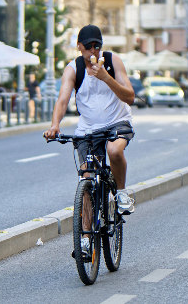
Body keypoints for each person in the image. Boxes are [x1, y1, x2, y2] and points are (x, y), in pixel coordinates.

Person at [43, 25, 135, 253]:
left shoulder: (113, 62)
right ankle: (85, 238)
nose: (93, 51)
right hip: (88, 129)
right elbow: (63, 99)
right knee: (86, 177)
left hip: (117, 121)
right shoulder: (73, 69)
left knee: (114, 152)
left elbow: (130, 97)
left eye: (98, 46)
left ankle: (122, 194)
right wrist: (55, 125)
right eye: (89, 47)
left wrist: (105, 77)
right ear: (79, 47)